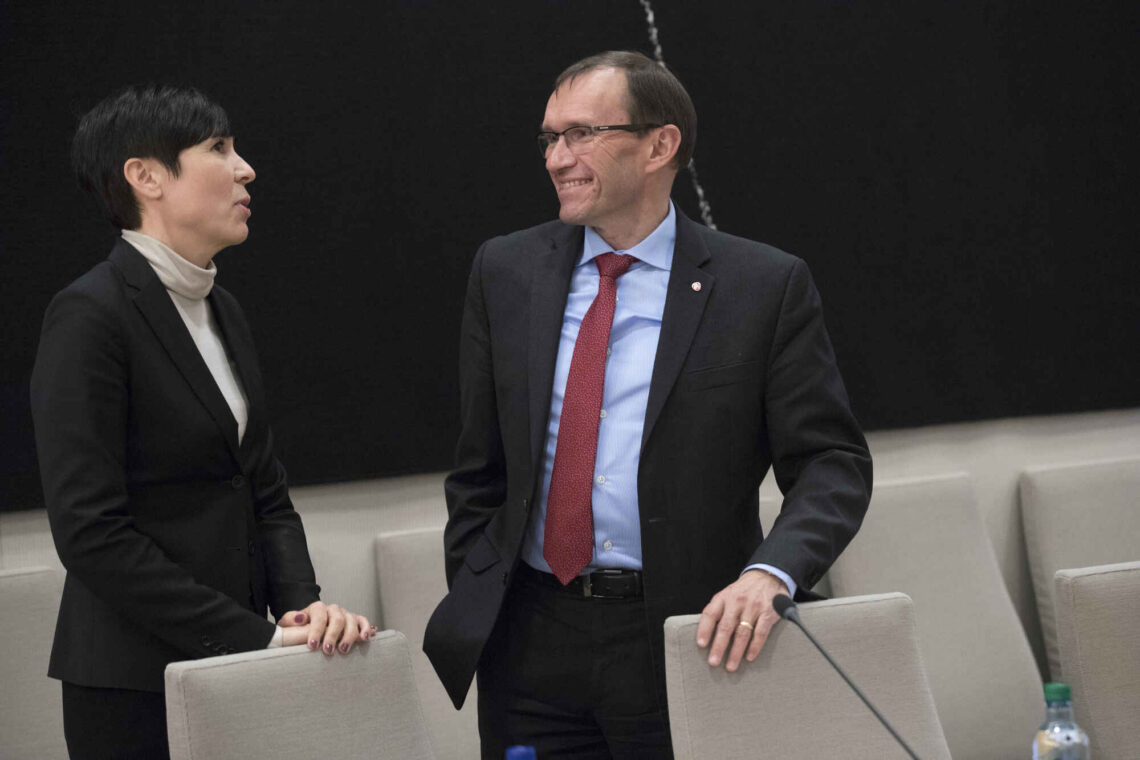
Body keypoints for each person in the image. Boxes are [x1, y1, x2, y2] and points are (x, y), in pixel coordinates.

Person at [424, 51, 873, 758]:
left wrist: (771, 573)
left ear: (660, 145)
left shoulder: (762, 286)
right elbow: (479, 464)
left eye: (581, 134)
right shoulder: (506, 271)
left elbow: (831, 463)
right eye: (549, 138)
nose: (557, 158)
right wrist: (480, 584)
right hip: (530, 644)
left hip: (690, 636)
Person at [30, 86, 373, 759]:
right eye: (219, 148)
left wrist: (300, 607)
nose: (246, 169)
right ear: (146, 177)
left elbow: (263, 489)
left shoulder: (224, 308)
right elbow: (91, 533)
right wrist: (256, 635)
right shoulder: (89, 314)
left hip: (241, 669)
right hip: (134, 683)